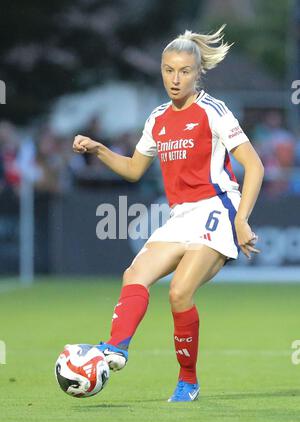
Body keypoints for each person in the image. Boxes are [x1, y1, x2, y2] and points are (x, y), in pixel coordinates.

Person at [73, 25, 264, 402]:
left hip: (216, 210)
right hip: (180, 216)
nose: (175, 79)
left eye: (184, 71)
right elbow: (133, 170)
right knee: (134, 274)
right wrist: (99, 150)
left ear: (197, 73)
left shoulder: (213, 111)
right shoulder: (158, 118)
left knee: (179, 292)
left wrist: (241, 219)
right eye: (168, 70)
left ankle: (187, 381)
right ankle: (116, 348)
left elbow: (254, 166)